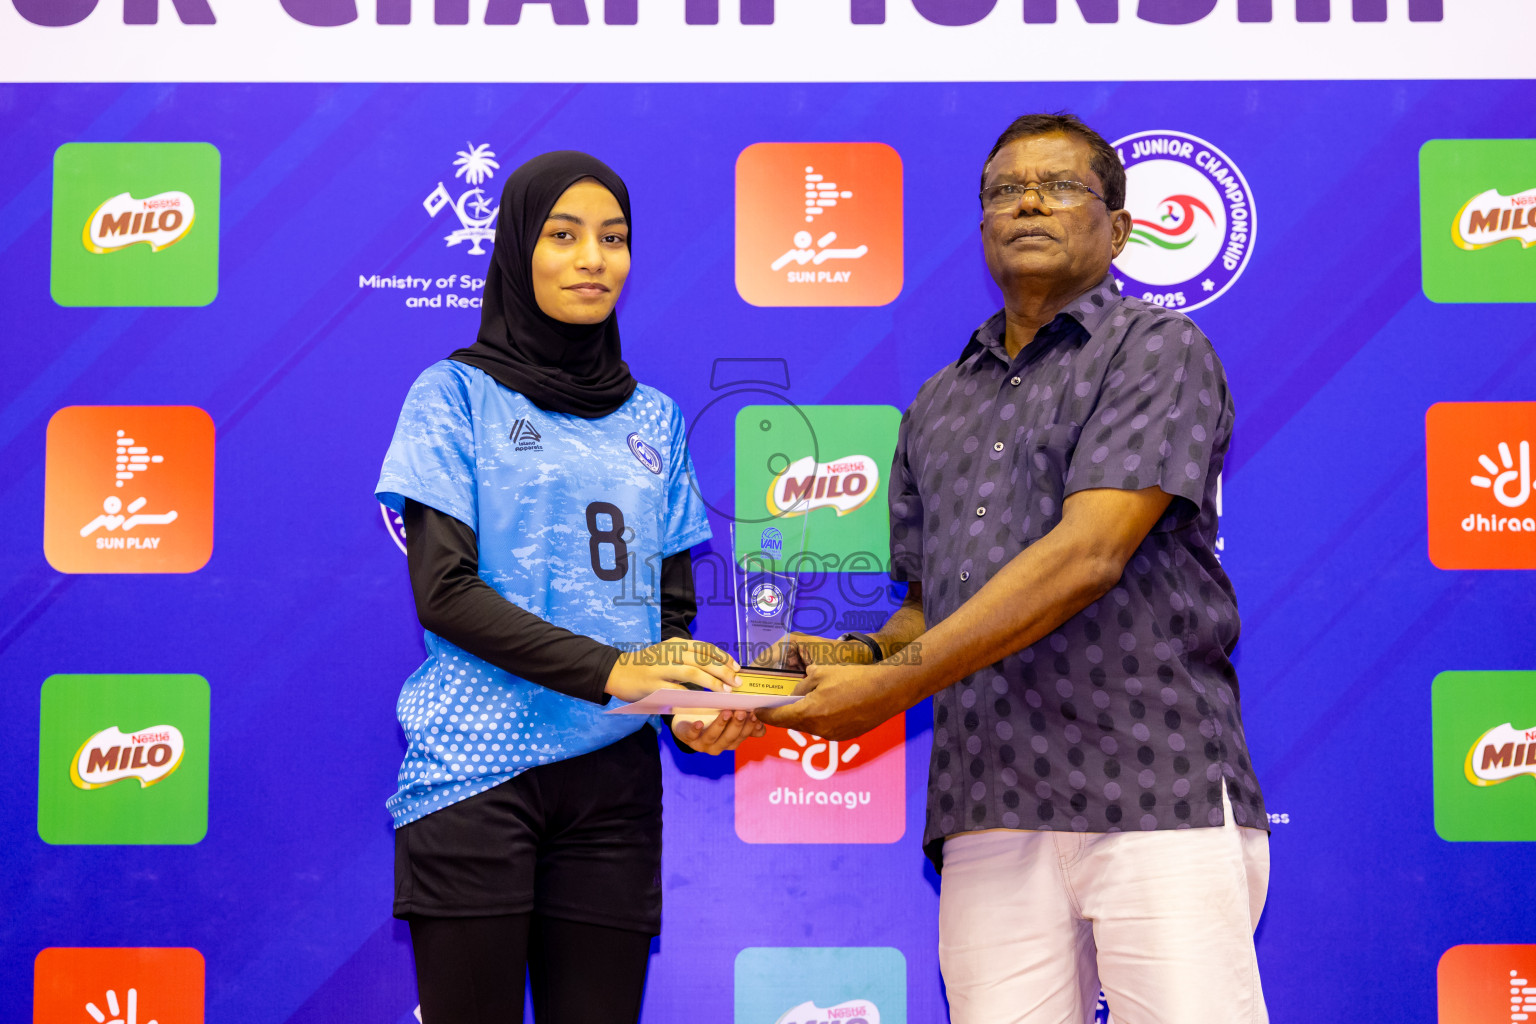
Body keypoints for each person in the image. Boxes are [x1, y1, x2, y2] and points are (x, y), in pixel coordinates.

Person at [759, 113, 1270, 1023]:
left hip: (1155, 792)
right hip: (988, 806)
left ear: (1118, 228)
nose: (1029, 201)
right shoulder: (936, 403)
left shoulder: (1155, 350)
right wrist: (831, 668)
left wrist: (890, 690)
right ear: (984, 226)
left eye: (1061, 185)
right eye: (1005, 191)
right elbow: (922, 616)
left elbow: (1088, 556)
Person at [375, 150, 762, 1024]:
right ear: (518, 248)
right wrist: (613, 673)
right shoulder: (452, 396)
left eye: (614, 238)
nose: (594, 258)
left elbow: (667, 616)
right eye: (564, 235)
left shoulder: (654, 416)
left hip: (613, 786)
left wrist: (686, 701)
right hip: (475, 776)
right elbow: (444, 593)